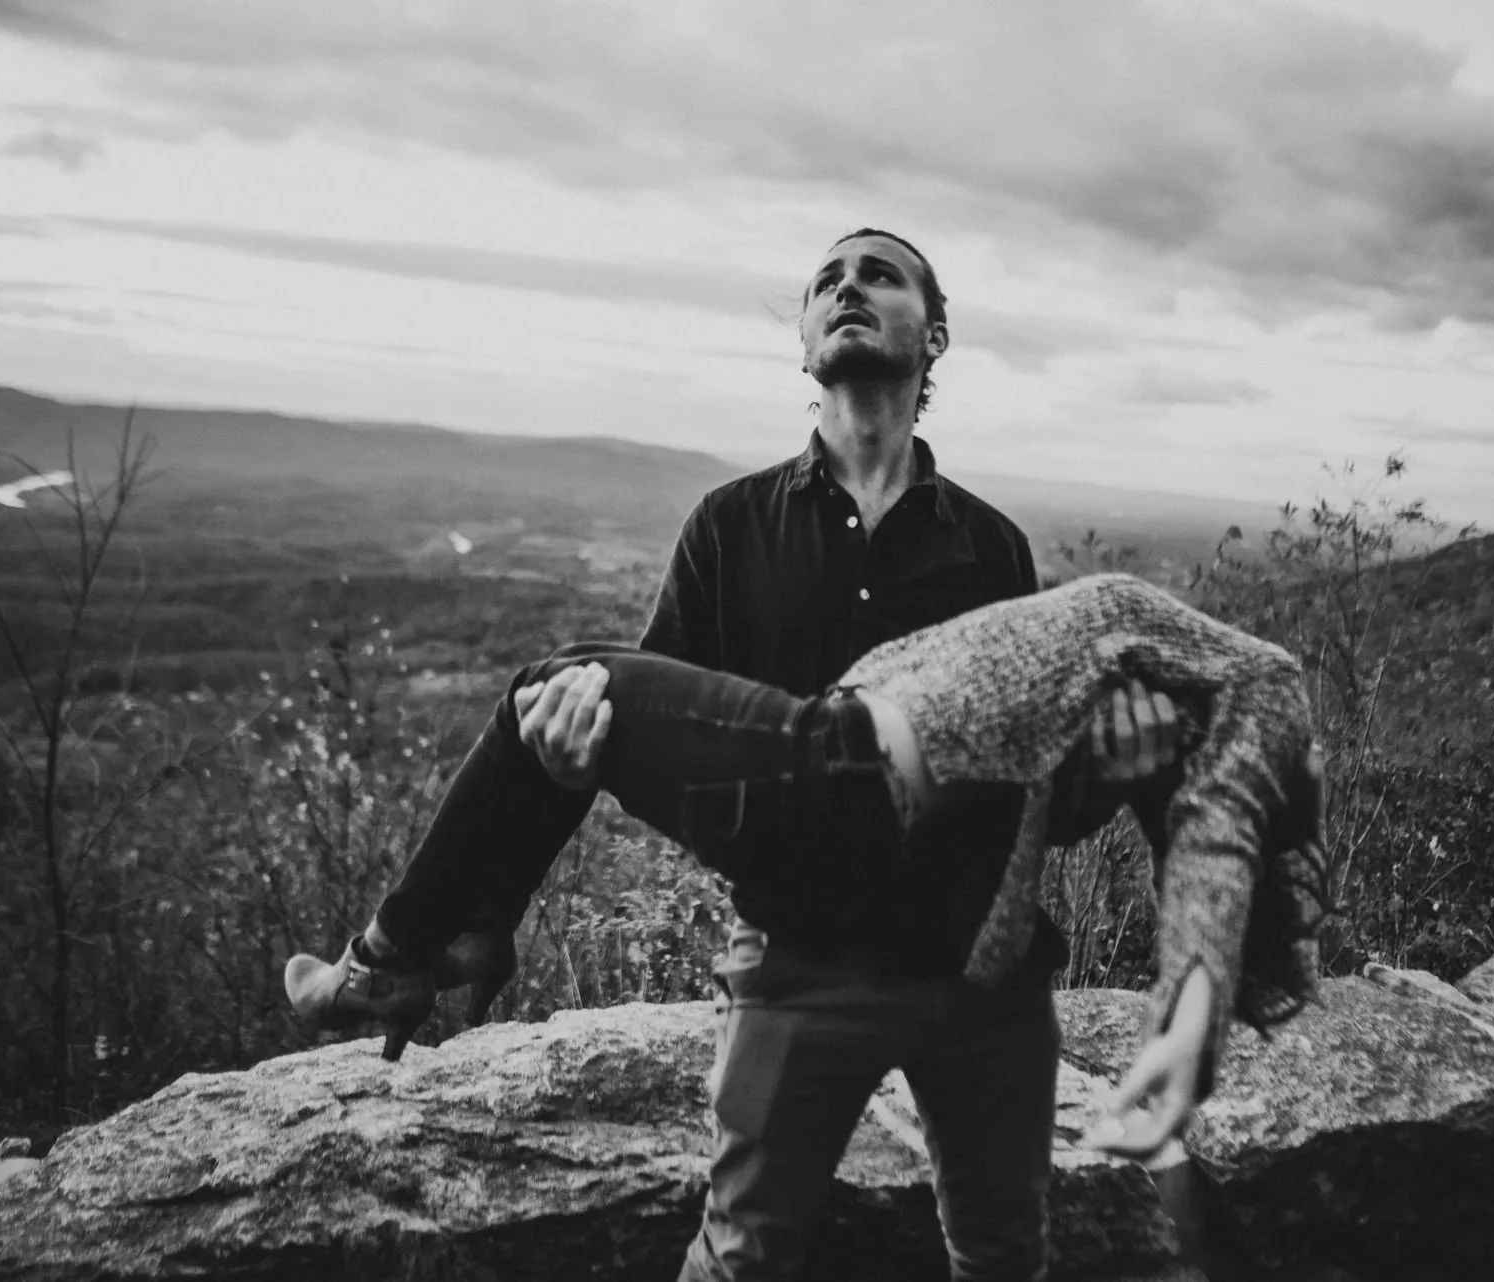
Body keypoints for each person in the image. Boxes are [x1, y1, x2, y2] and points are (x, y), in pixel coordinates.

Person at [289, 228, 1231, 1282]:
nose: (848, 287)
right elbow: (657, 739)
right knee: (744, 1263)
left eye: (879, 274)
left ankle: (417, 948)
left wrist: (1111, 770)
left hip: (982, 973)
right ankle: (438, 938)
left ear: (937, 335)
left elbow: (1038, 802)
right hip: (800, 958)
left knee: (1004, 1259)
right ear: (802, 340)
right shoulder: (728, 527)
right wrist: (569, 759)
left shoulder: (992, 547)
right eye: (827, 279)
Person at [285, 573, 1328, 1248]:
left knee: (554, 679)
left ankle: (390, 959)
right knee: (564, 705)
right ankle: (445, 944)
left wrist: (1190, 1014)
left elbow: (1214, 831)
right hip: (813, 856)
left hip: (838, 787)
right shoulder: (737, 529)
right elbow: (1160, 819)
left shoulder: (1252, 696)